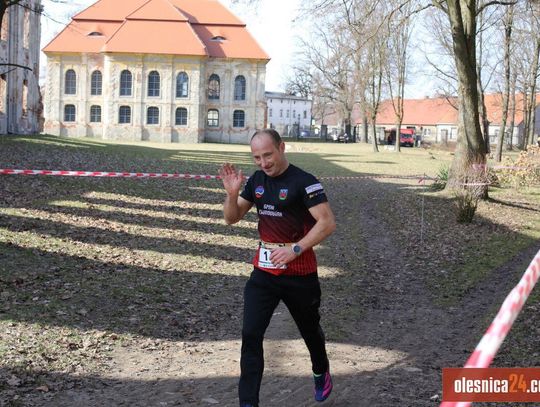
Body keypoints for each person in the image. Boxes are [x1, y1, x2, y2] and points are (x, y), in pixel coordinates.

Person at [219, 129, 336, 407]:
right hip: (264, 273)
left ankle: (320, 371)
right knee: (251, 335)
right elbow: (232, 218)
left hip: (299, 273)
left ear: (282, 148)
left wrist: (294, 249)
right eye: (257, 157)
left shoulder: (304, 182)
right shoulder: (257, 180)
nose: (263, 163)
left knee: (310, 331)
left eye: (268, 155)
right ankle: (248, 402)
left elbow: (327, 223)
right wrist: (232, 195)